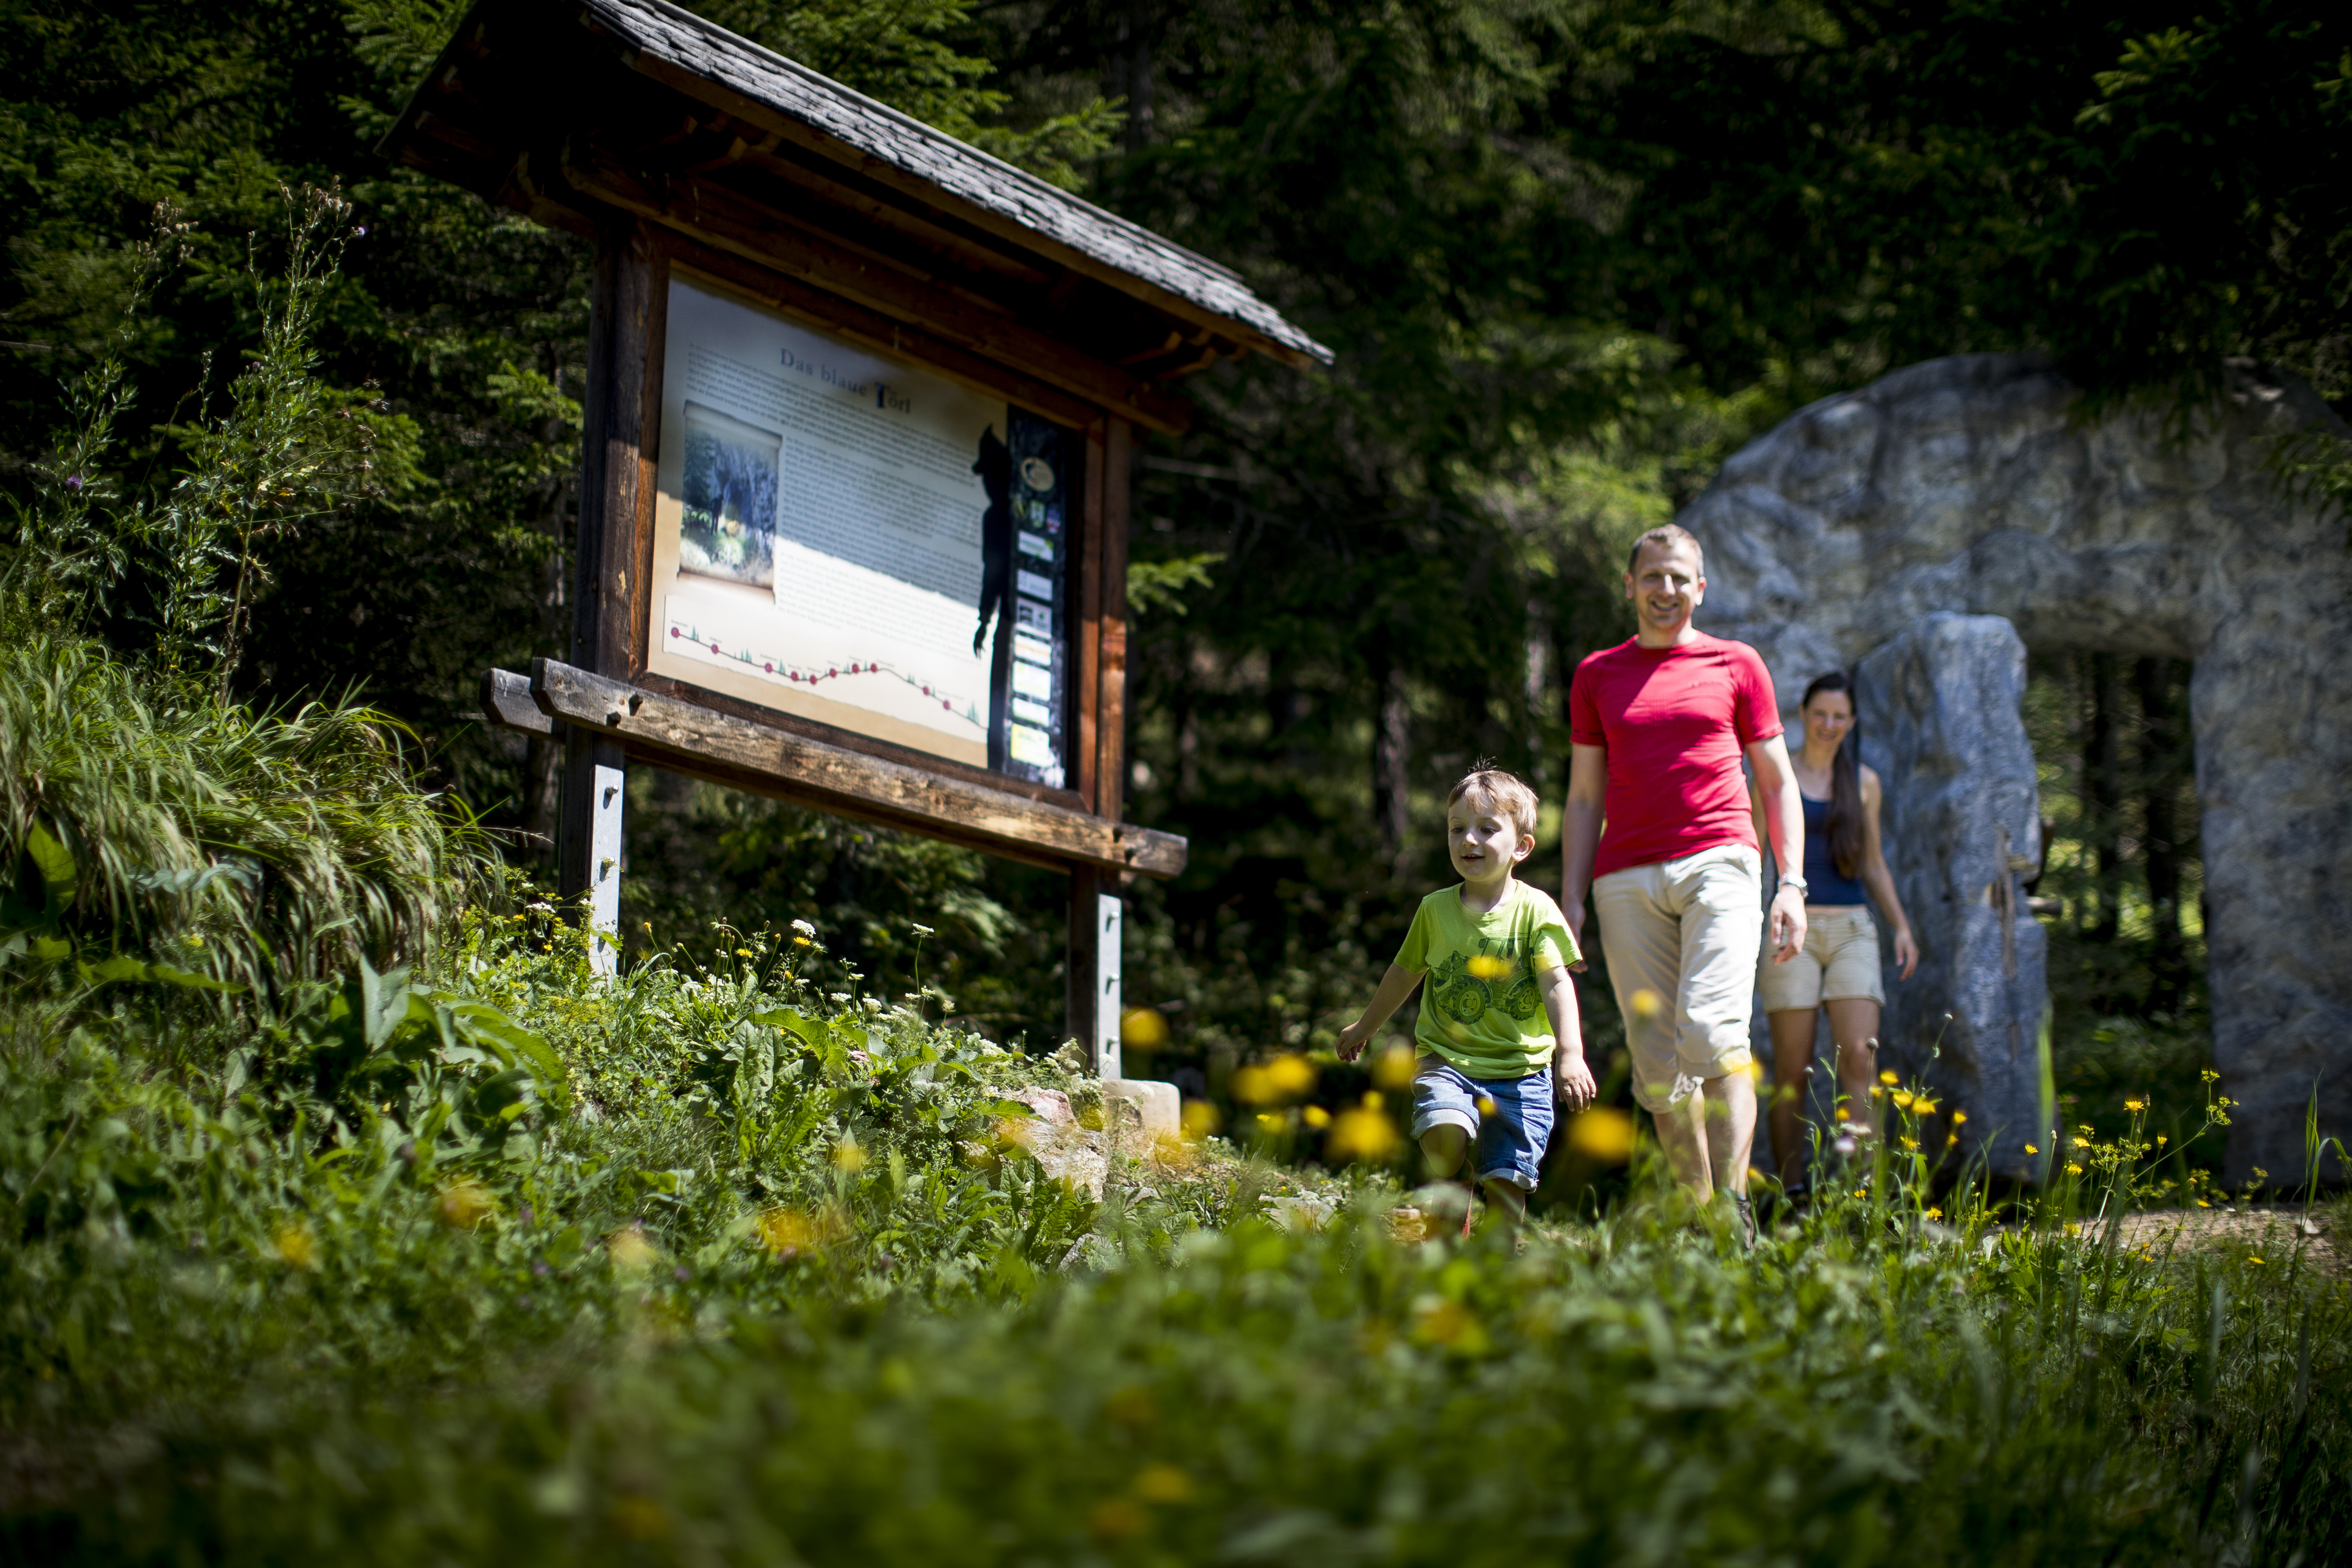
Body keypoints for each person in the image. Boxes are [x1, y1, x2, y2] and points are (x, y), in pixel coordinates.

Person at [1560, 524, 1807, 1243]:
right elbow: (1584, 796)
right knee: (1656, 1062)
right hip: (1624, 877)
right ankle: (1701, 1222)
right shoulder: (1597, 674)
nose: (1664, 589)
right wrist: (1570, 897)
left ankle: (1733, 1206)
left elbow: (1777, 782)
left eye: (1678, 577)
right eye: (1652, 576)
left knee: (1712, 1029)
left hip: (1720, 860)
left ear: (1700, 587)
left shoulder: (1737, 663)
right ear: (1630, 585)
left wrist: (1790, 883)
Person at [1338, 768, 1597, 1229]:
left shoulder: (1536, 910)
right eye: (1457, 828)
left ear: (1521, 846)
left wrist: (1571, 1054)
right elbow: (1403, 973)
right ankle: (1450, 1198)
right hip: (1447, 1060)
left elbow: (1556, 984)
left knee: (1507, 1183)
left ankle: (1496, 1260)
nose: (1468, 840)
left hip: (1521, 1073)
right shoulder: (1434, 910)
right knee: (1445, 1135)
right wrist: (1365, 1027)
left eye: (1486, 829)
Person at [1753, 671, 1921, 1194]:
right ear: (1803, 715)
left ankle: (1861, 1193)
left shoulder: (1863, 783)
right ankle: (1791, 1194)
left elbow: (1872, 863)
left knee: (1858, 1058)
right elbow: (1751, 857)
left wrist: (1901, 927)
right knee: (1793, 1069)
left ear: (1851, 722)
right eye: (1820, 713)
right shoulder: (1775, 776)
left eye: (1839, 716)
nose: (1828, 724)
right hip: (1790, 933)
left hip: (1852, 929)